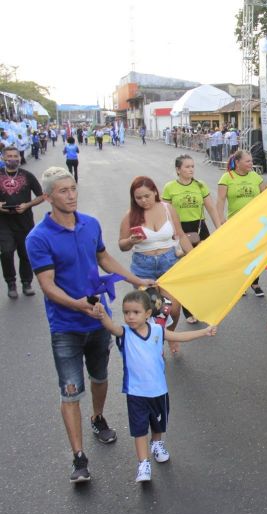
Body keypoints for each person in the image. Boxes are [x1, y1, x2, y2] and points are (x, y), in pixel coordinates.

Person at [25, 166, 154, 483]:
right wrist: (78, 305)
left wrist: (137, 280)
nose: (71, 195)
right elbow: (48, 285)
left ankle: (97, 417)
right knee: (70, 392)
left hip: (98, 320)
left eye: (73, 189)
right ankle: (79, 458)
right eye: (62, 191)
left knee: (100, 377)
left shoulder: (90, 225)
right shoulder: (38, 238)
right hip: (66, 326)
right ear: (47, 197)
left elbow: (105, 259)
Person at [96, 290, 217, 482]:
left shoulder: (158, 331)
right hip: (136, 392)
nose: (130, 316)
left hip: (159, 390)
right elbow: (111, 327)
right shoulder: (125, 333)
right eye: (126, 312)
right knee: (139, 429)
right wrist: (102, 314)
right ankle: (143, 463)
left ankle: (157, 443)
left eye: (135, 312)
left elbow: (179, 337)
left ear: (148, 314)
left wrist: (204, 331)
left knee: (158, 424)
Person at [118, 176, 193, 354]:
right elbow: (121, 245)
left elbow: (181, 235)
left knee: (173, 309)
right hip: (143, 267)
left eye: (147, 196)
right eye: (138, 198)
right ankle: (155, 343)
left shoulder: (168, 209)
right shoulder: (130, 215)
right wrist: (130, 240)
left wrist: (193, 256)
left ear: (155, 192)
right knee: (151, 309)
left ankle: (170, 335)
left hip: (169, 263)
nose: (143, 201)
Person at [162, 154, 223, 323]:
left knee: (203, 271)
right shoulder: (170, 188)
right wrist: (170, 234)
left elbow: (211, 208)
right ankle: (188, 311)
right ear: (178, 170)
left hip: (199, 229)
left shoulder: (200, 185)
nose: (191, 170)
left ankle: (203, 306)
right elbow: (165, 213)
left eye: (192, 166)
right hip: (180, 231)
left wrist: (219, 229)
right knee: (187, 272)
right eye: (187, 167)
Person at [217, 150, 267, 296]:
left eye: (251, 161)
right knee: (239, 255)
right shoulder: (227, 177)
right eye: (248, 161)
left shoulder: (255, 176)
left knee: (255, 254)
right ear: (237, 163)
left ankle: (255, 282)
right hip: (236, 223)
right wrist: (220, 220)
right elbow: (220, 200)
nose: (251, 164)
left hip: (255, 223)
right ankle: (240, 283)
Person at [1, 146, 46, 298]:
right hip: (4, 223)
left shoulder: (27, 176)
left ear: (19, 158)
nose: (12, 159)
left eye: (15, 156)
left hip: (24, 222)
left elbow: (41, 196)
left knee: (25, 254)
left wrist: (27, 205)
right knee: (6, 252)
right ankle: (11, 283)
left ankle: (26, 283)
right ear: (3, 158)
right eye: (9, 156)